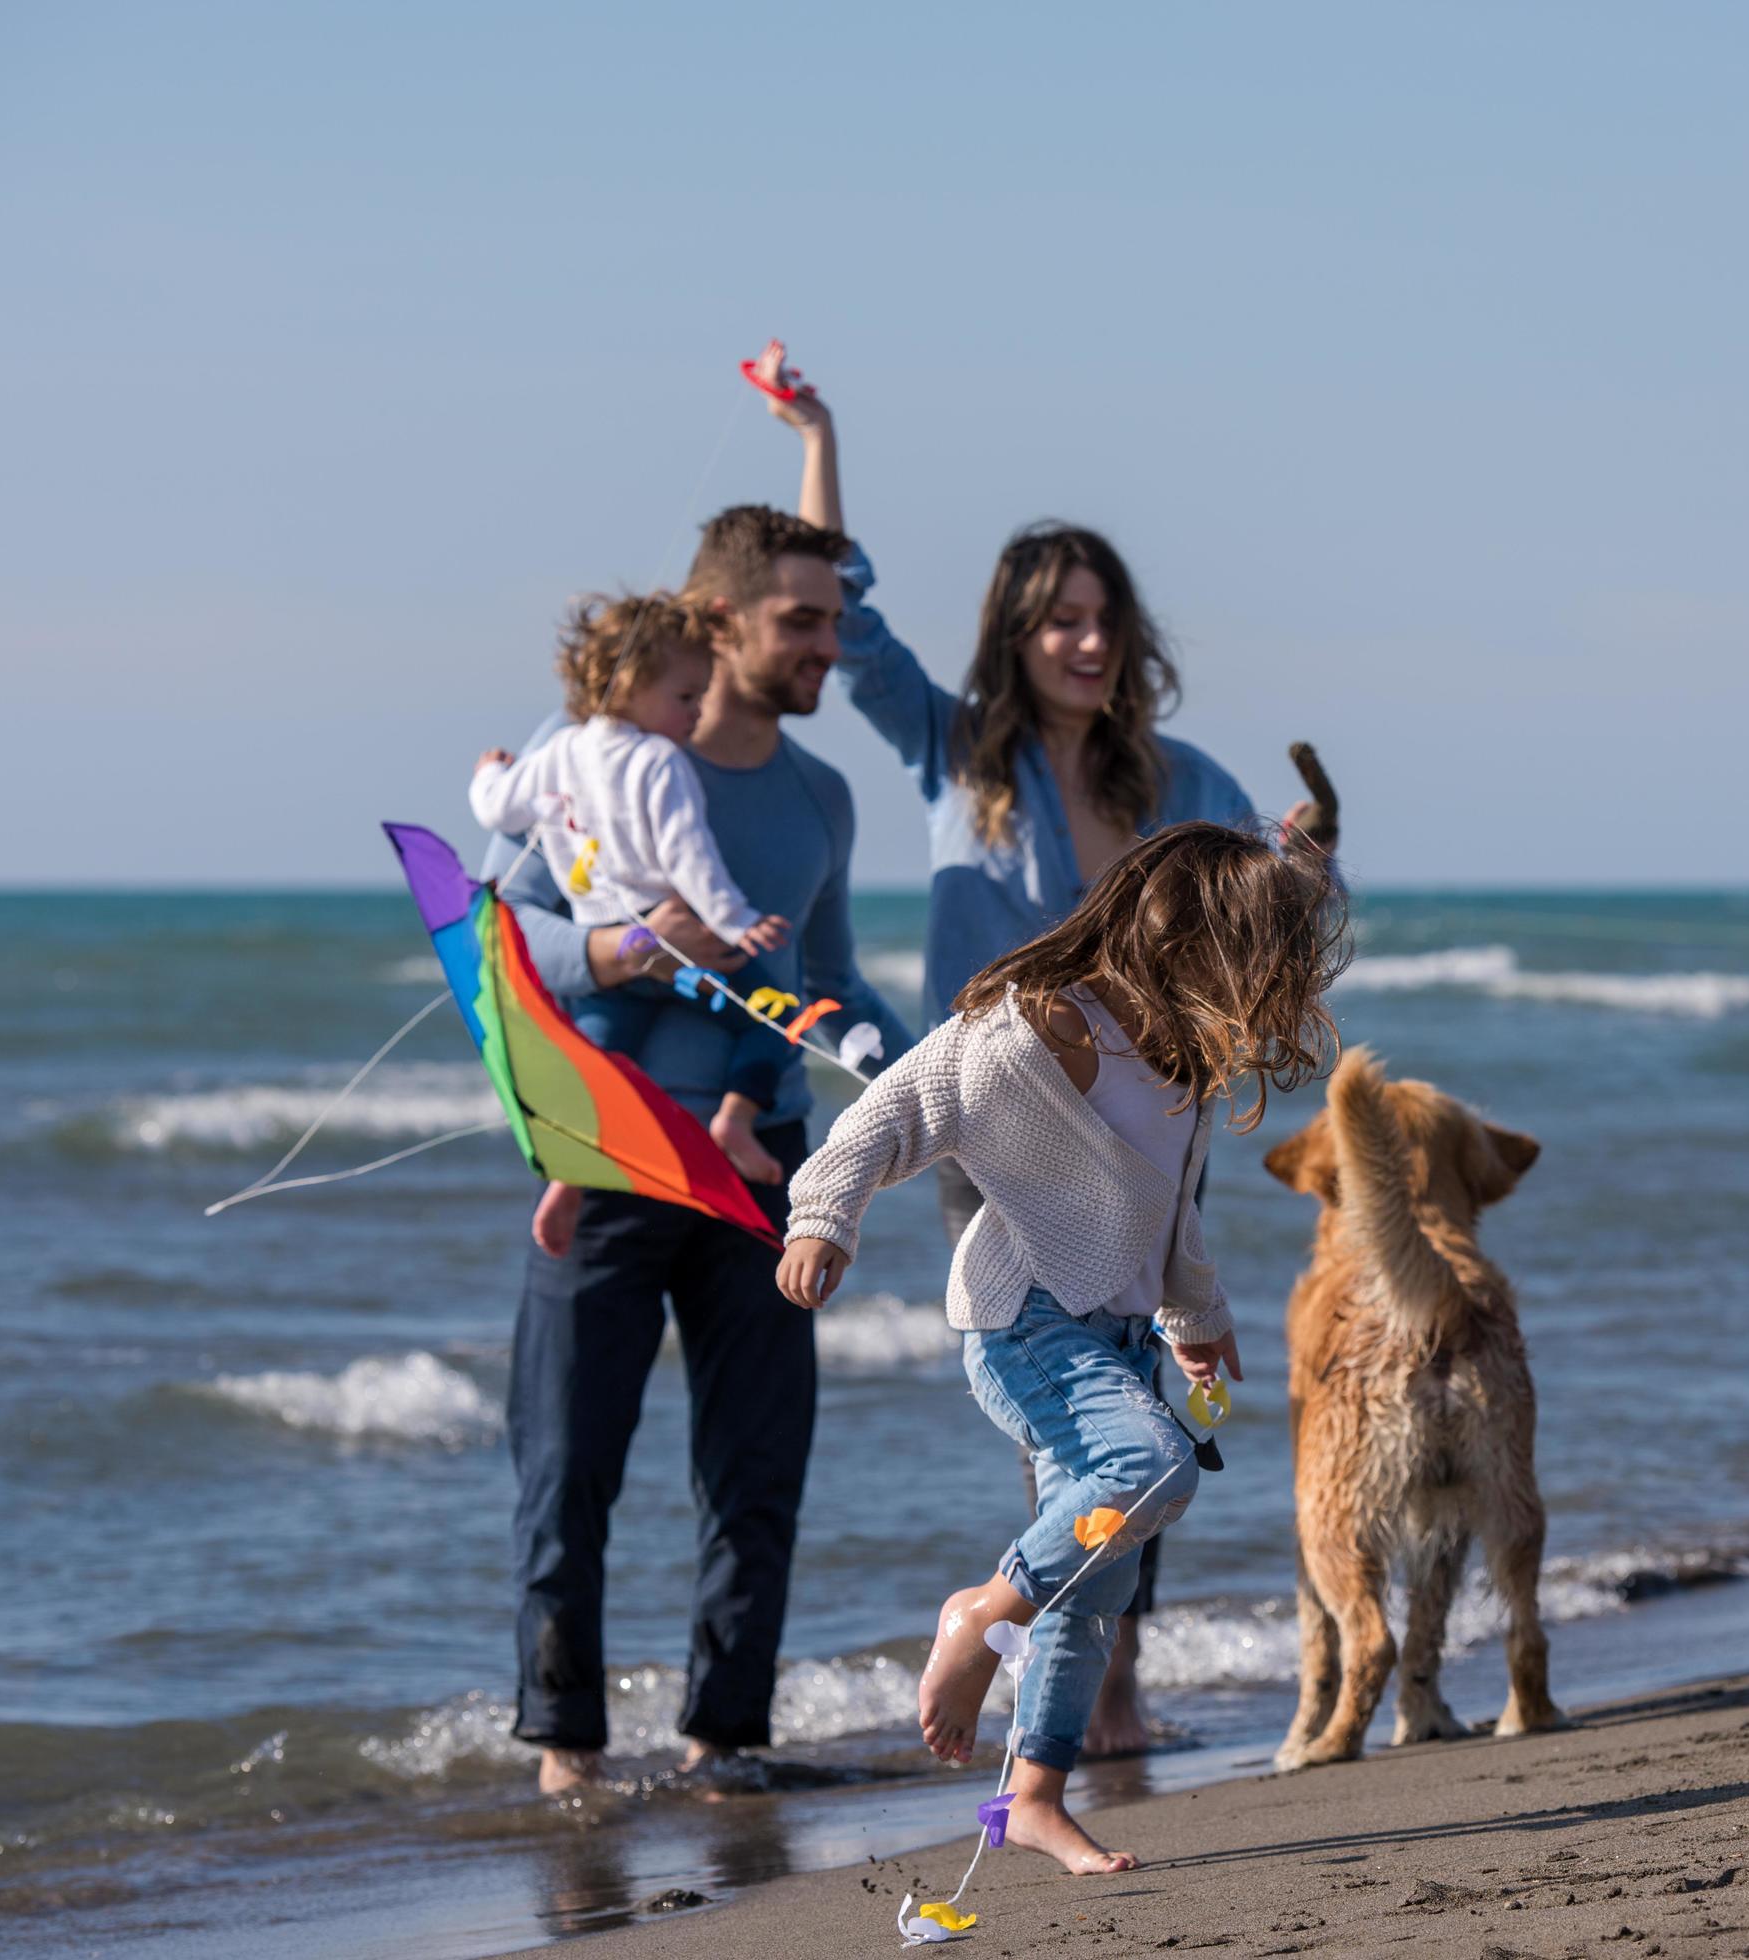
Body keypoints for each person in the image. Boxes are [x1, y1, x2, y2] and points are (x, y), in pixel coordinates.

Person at [762, 360, 1327, 1752]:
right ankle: (1049, 1667)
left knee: (1144, 1405)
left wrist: (1304, 860)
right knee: (1064, 1413)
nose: (1082, 644)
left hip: (1140, 1128)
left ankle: (1104, 1687)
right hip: (992, 1121)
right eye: (1056, 621)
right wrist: (819, 439)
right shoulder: (958, 751)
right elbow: (859, 620)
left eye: (1100, 622)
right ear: (1013, 636)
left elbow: (1260, 900)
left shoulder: (1180, 781)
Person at [775, 821, 1350, 1872]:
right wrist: (822, 1217)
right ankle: (978, 1613)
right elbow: (886, 1115)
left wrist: (1193, 1316)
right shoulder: (1026, 1033)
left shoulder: (1181, 1057)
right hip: (1023, 1321)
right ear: (1182, 938)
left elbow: (1169, 1208)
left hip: (1121, 1333)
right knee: (1150, 1468)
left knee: (1095, 1586)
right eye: (1254, 961)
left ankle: (1033, 1795)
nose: (1264, 991)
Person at [482, 503, 914, 1795]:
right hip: (606, 1148)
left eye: (834, 622)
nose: (828, 648)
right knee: (564, 1464)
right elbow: (504, 936)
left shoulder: (819, 796)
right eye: (802, 622)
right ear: (716, 624)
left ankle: (722, 1743)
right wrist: (620, 949)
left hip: (759, 1154)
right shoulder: (585, 759)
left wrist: (935, 1066)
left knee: (757, 1467)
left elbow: (827, 980)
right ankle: (564, 1757)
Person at [468, 590, 795, 1248]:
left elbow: (496, 811)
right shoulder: (659, 760)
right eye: (684, 697)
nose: (697, 711)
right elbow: (689, 856)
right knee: (775, 1017)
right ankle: (734, 1120)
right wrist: (735, 921)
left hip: (618, 954)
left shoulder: (557, 752)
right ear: (629, 682)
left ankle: (570, 1176)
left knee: (600, 1060)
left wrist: (487, 774)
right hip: (676, 950)